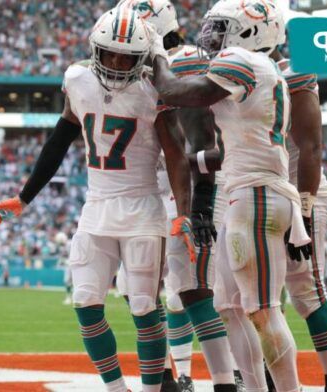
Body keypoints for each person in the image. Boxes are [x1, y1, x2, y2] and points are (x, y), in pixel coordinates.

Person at [0, 6, 193, 391]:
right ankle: (115, 388)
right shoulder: (78, 79)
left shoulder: (154, 89)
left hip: (143, 207)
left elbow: (177, 154)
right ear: (95, 47)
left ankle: (152, 388)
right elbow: (60, 138)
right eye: (108, 51)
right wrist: (23, 197)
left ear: (142, 56)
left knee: (145, 307)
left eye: (125, 55)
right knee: (85, 301)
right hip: (97, 207)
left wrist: (184, 213)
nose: (115, 60)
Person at [148, 1, 307, 390]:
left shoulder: (243, 59)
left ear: (251, 32)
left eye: (220, 28)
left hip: (256, 195)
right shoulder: (261, 70)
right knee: (230, 305)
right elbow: (220, 148)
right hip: (250, 189)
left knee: (262, 310)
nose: (211, 37)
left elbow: (175, 89)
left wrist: (154, 56)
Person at [115, 1, 239, 391]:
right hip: (161, 187)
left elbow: (201, 135)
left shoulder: (181, 60)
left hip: (195, 184)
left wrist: (199, 206)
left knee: (194, 287)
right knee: (136, 286)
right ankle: (168, 374)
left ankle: (226, 379)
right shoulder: (146, 67)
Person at [270, 9, 327, 387]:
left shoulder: (292, 75)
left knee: (305, 287)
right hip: (264, 193)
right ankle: (274, 380)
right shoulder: (234, 76)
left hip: (301, 190)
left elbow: (311, 147)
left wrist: (301, 209)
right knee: (261, 294)